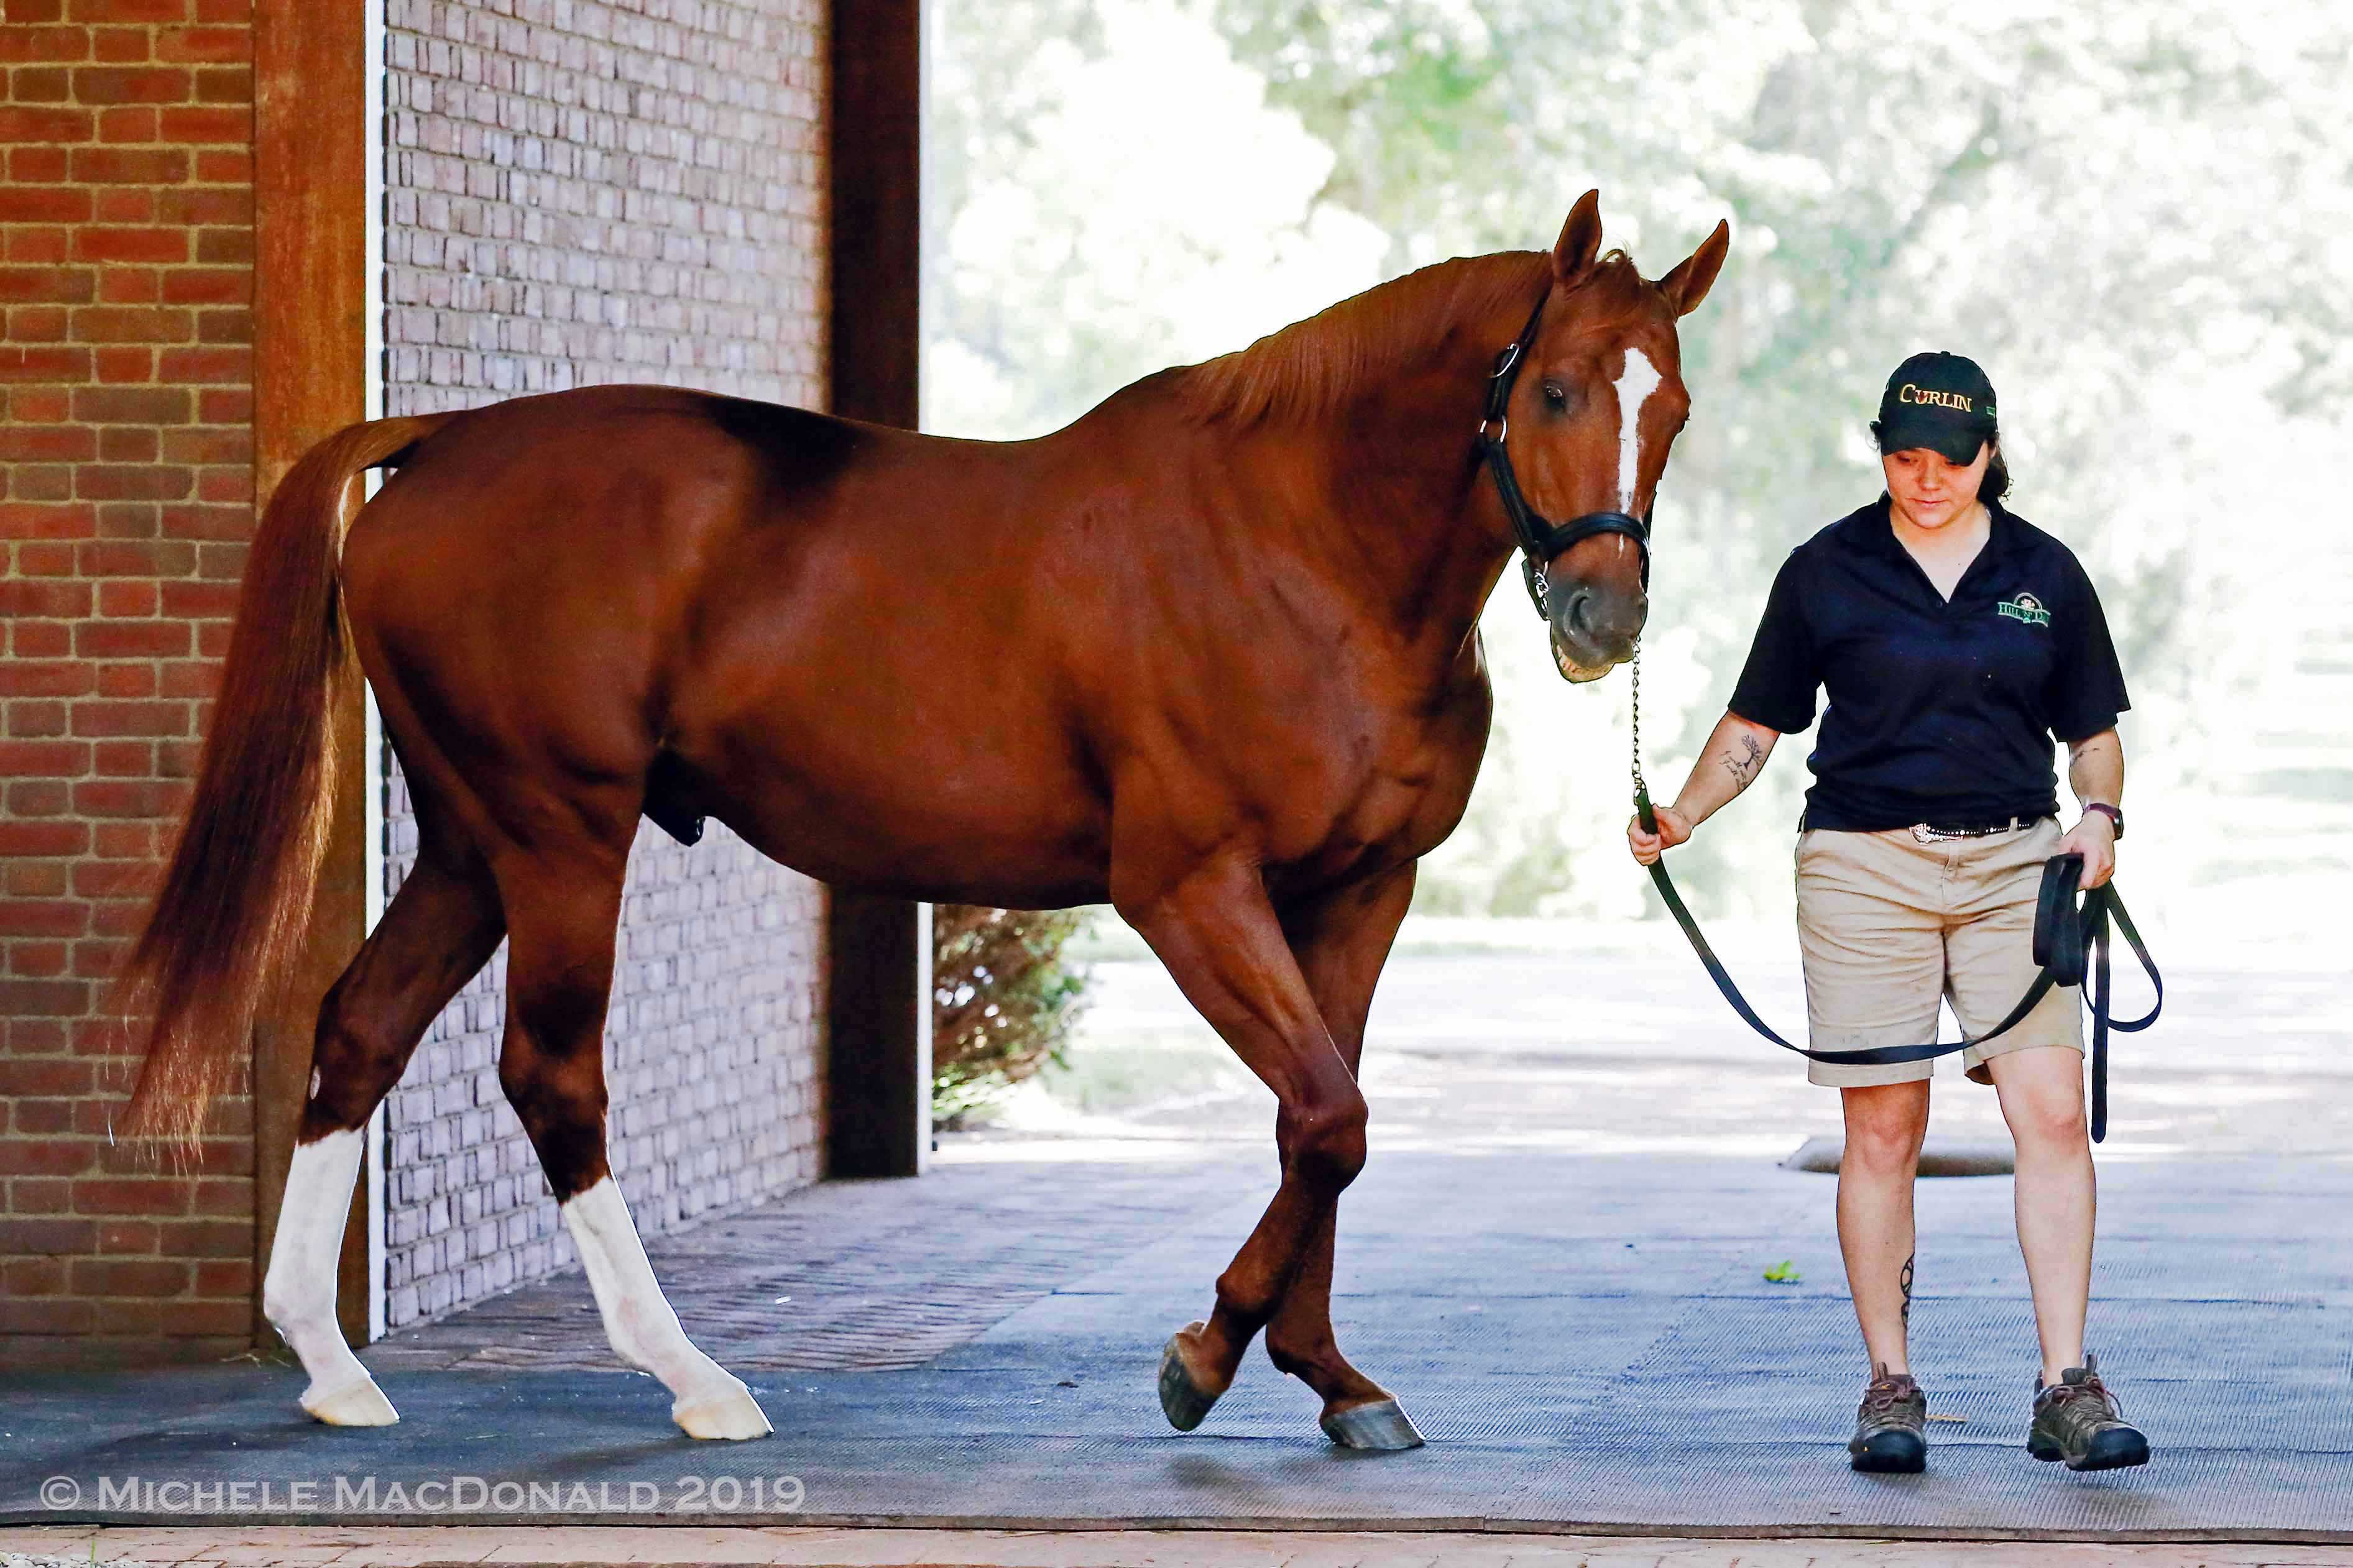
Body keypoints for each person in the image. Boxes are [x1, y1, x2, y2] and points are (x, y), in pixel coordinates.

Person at [1625, 352, 2150, 1475]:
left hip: (2017, 860)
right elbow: (1756, 726)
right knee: (1882, 1130)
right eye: (1903, 457)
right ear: (1881, 452)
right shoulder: (1827, 570)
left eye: (1947, 461)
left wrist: (2100, 812)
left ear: (1988, 455)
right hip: (1863, 867)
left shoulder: (2042, 571)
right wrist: (1684, 813)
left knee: (2050, 1113)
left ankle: (2066, 1385)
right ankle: (1889, 1387)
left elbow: (2091, 728)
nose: (1924, 480)